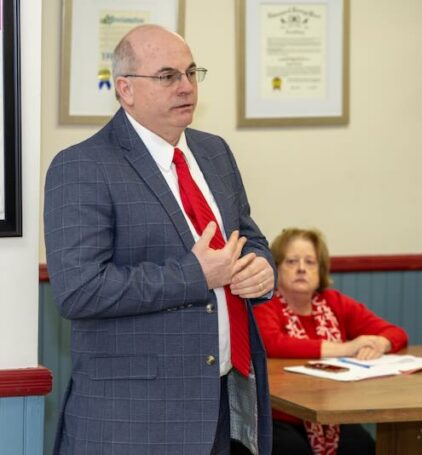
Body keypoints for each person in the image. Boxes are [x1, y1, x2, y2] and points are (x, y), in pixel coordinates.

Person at [44, 25, 274, 455]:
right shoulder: (82, 166)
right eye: (168, 76)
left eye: (191, 73)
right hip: (134, 420)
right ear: (125, 89)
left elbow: (249, 238)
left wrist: (261, 269)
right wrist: (195, 275)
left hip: (221, 403)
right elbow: (78, 290)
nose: (186, 86)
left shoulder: (215, 153)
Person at [254, 228, 408, 455]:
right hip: (280, 415)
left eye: (310, 262)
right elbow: (273, 342)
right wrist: (346, 348)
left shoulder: (334, 302)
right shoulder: (265, 303)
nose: (301, 268)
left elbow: (396, 333)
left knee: (362, 446)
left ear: (321, 269)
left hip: (332, 415)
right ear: (275, 268)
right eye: (291, 261)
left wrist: (380, 343)